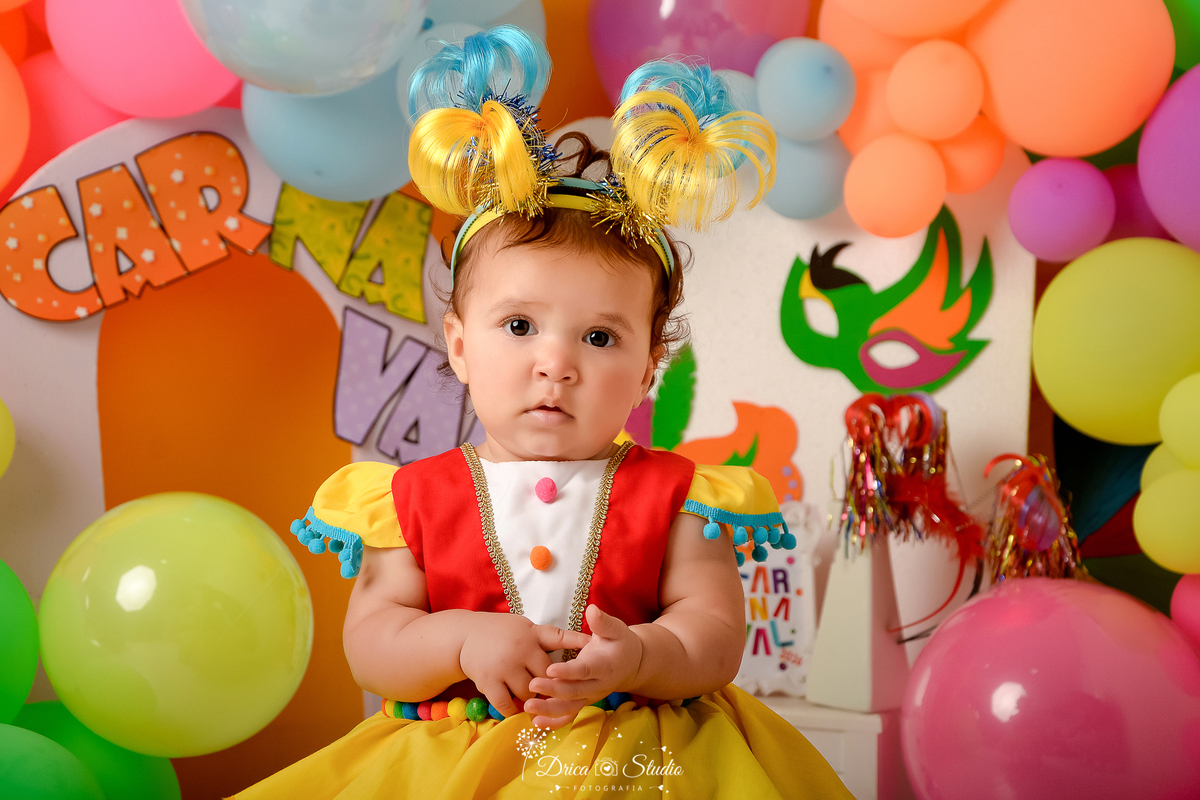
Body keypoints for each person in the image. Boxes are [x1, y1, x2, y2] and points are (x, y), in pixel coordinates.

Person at [233, 26, 851, 800]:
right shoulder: (409, 500)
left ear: (648, 367)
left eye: (599, 337)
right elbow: (373, 645)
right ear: (458, 346)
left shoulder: (683, 497)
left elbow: (715, 634)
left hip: (647, 760)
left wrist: (643, 655)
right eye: (519, 326)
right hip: (455, 760)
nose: (555, 363)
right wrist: (461, 640)